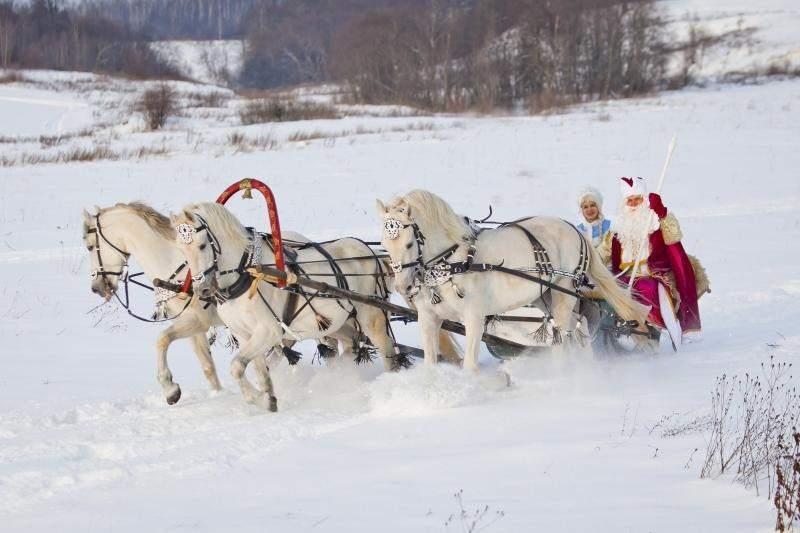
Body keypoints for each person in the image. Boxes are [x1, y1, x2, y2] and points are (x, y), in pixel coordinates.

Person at [599, 176, 704, 346]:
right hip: (624, 274)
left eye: (637, 199)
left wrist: (662, 213)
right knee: (605, 289)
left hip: (653, 273)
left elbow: (674, 237)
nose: (633, 204)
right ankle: (616, 330)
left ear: (644, 199)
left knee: (646, 288)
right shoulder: (618, 226)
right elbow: (603, 252)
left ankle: (654, 328)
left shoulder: (656, 220)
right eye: (629, 200)